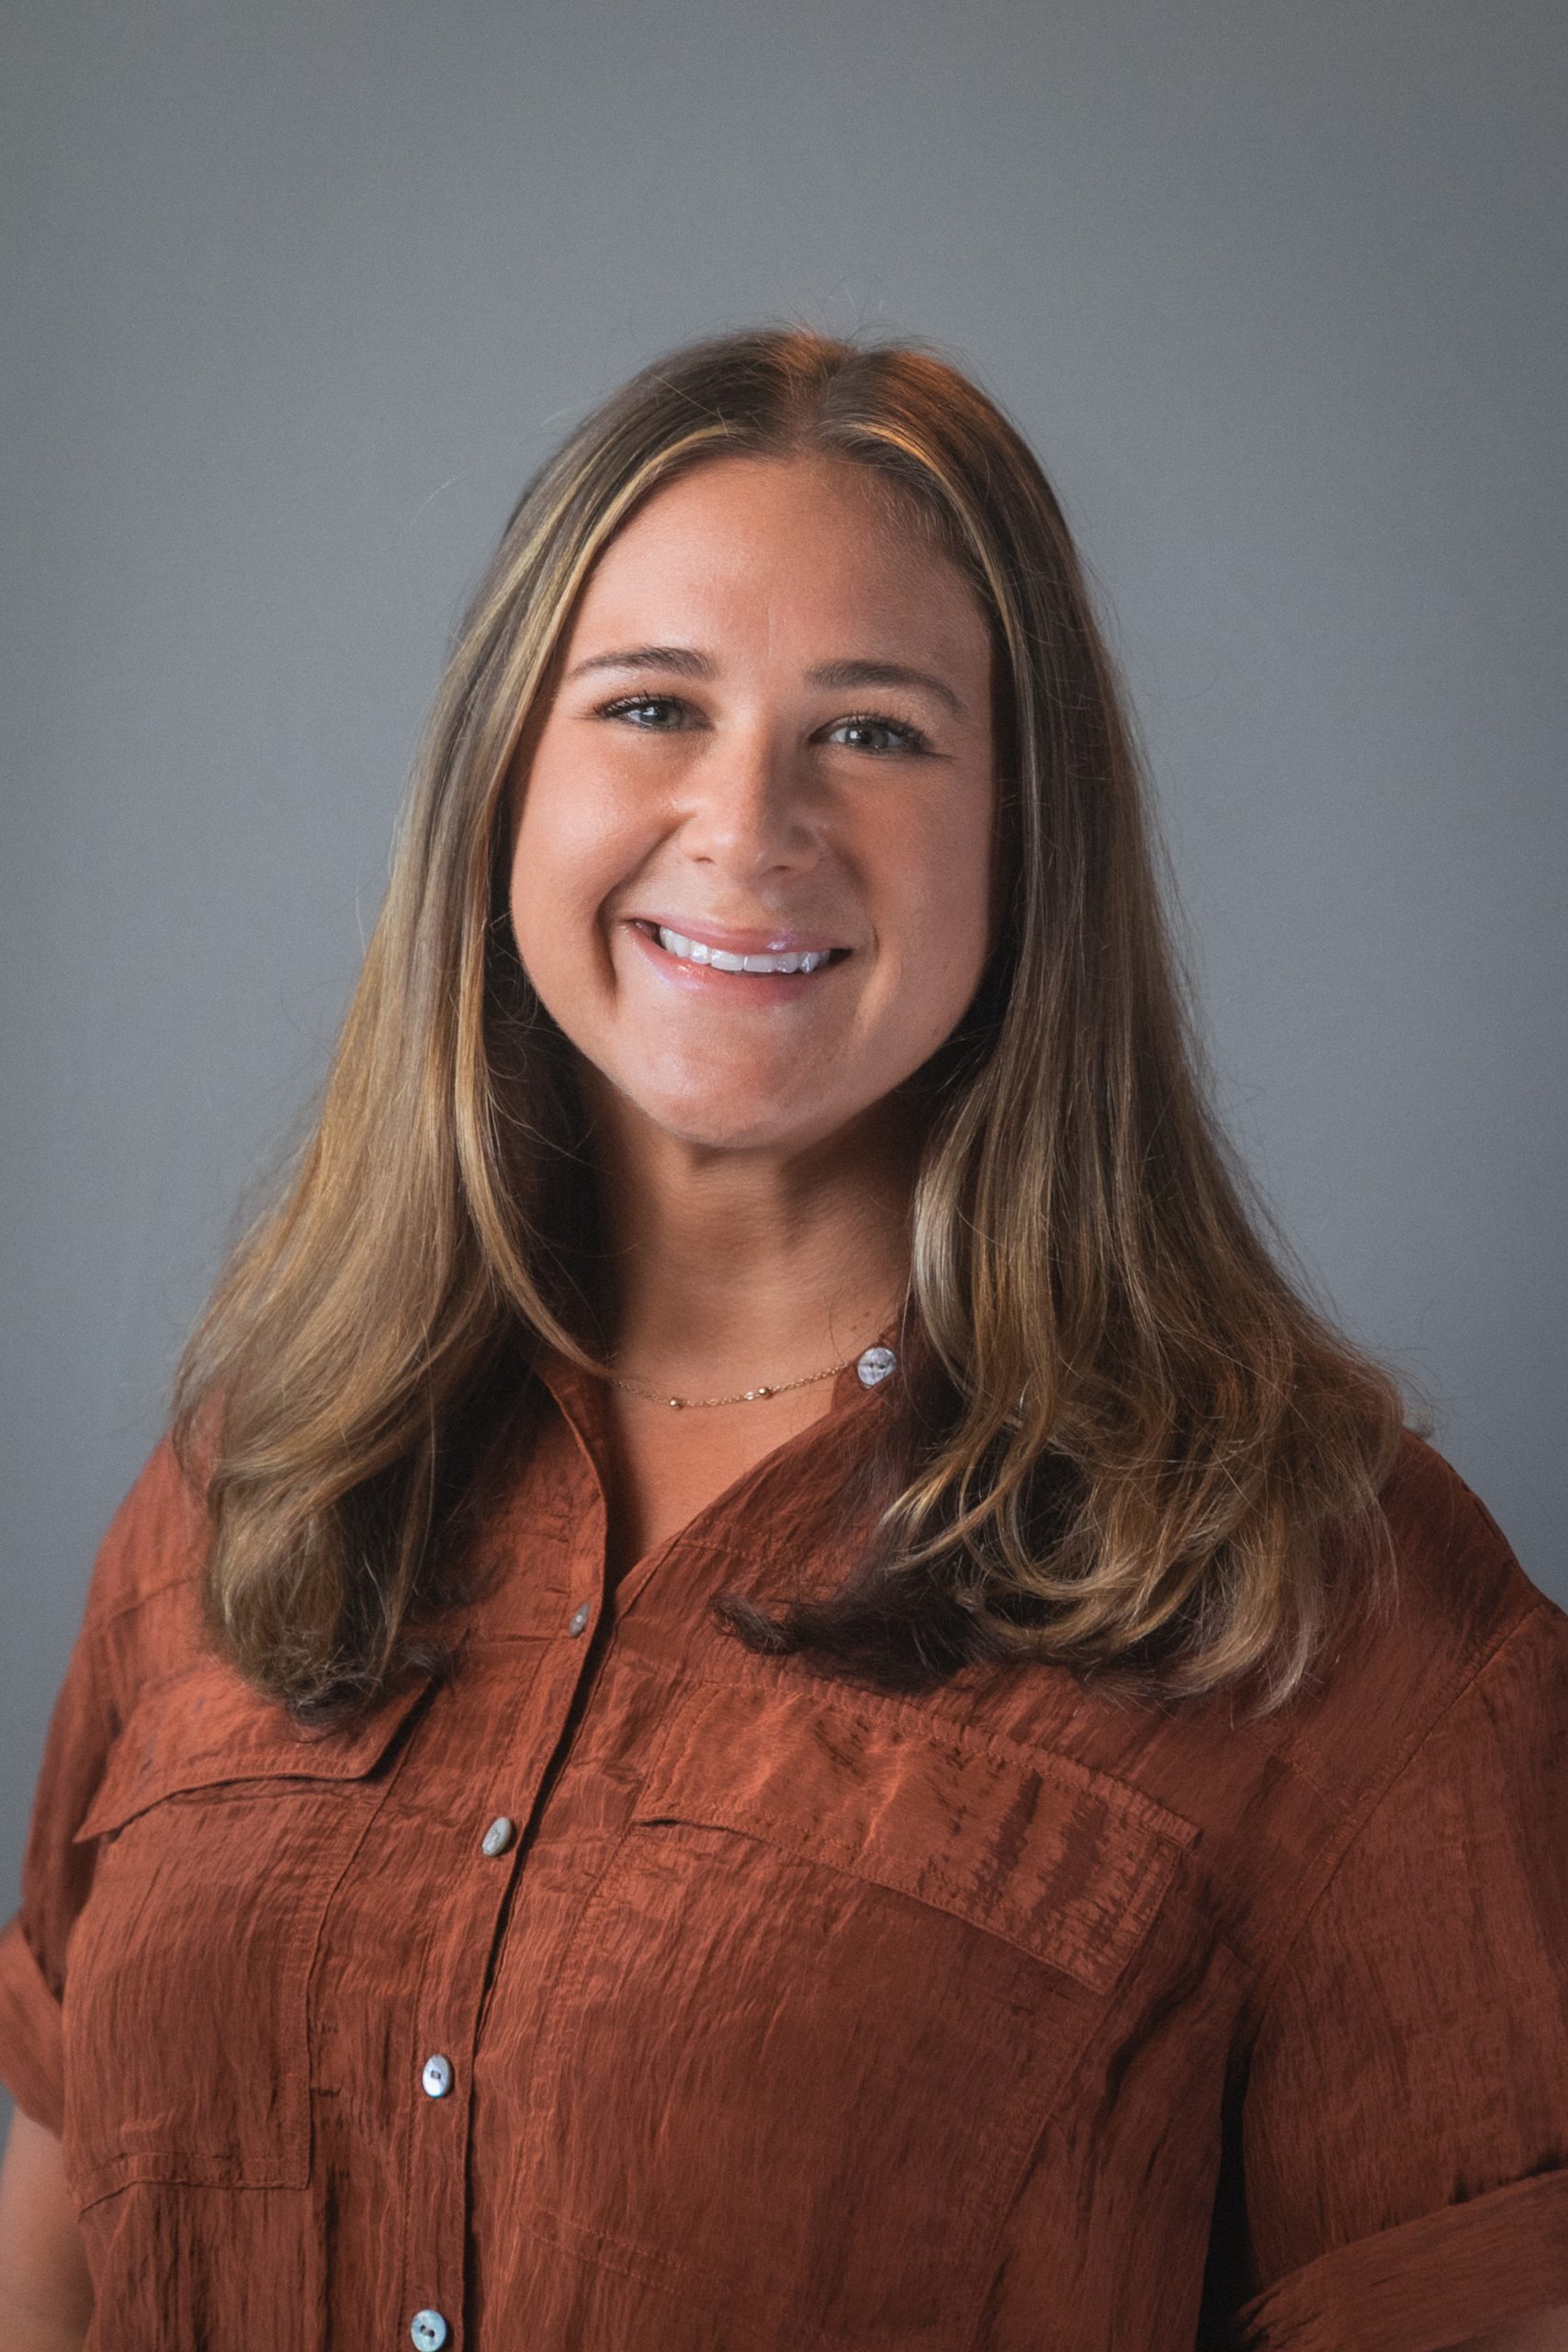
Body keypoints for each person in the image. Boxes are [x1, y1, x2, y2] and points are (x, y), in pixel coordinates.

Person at [0, 325, 1563, 2352]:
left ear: (1025, 838)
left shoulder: (1332, 1600)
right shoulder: (252, 1484)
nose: (746, 823)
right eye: (650, 705)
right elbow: (53, 2251)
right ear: (502, 787)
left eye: (875, 731)